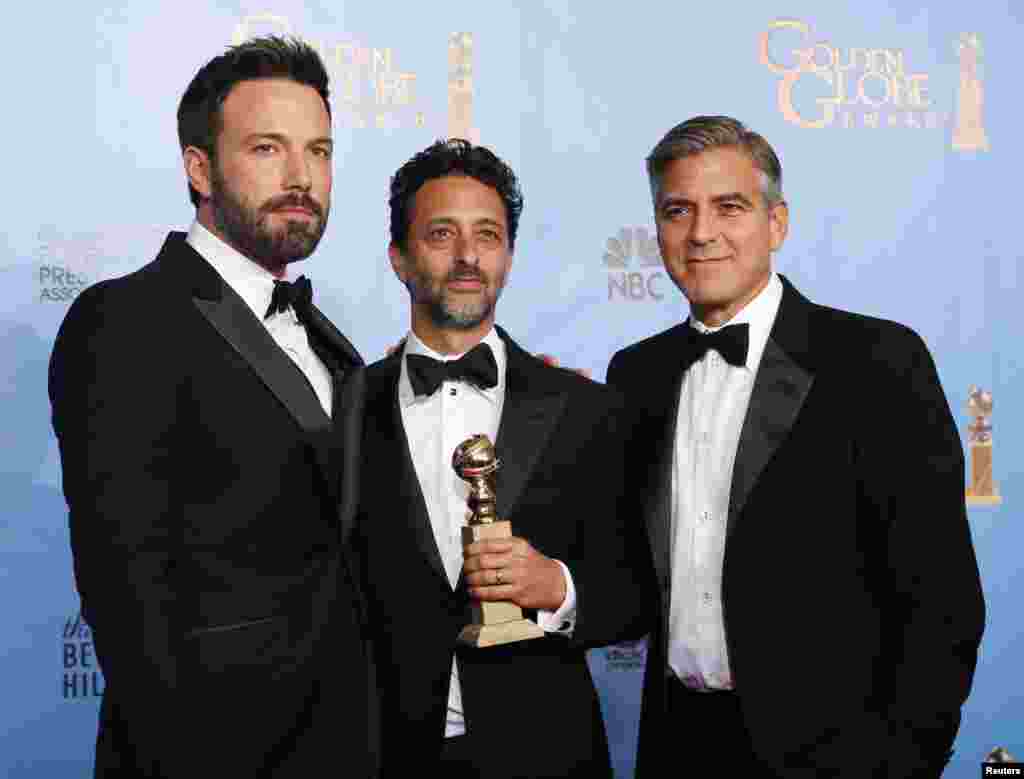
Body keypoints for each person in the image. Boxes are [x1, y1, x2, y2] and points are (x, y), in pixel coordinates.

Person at [606, 115, 985, 778]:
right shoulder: (636, 374)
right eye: (677, 210)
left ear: (776, 223)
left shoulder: (876, 362)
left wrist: (902, 761)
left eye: (730, 206)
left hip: (838, 758)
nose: (701, 233)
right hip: (680, 748)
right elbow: (634, 575)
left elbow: (942, 600)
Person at [49, 37, 375, 778]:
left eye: (319, 152)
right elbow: (129, 598)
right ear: (199, 168)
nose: (302, 177)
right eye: (268, 149)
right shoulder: (127, 319)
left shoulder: (331, 340)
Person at [356, 139, 655, 779]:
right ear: (399, 259)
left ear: (509, 257)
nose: (468, 257)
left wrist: (560, 588)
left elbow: (638, 592)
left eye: (487, 235)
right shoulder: (342, 408)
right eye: (441, 234)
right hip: (383, 755)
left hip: (545, 754)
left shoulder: (589, 409)